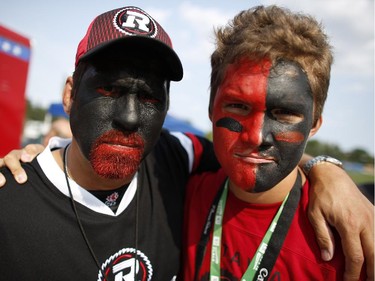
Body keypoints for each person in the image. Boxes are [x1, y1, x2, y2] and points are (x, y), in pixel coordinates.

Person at [0, 5, 373, 281]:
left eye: (148, 98)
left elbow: (255, 151)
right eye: (109, 89)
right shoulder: (10, 200)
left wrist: (325, 168)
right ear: (69, 95)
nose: (129, 118)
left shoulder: (176, 160)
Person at [181, 5, 372, 280]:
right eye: (237, 106)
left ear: (315, 124)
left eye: (284, 113)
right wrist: (324, 166)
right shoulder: (184, 189)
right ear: (211, 108)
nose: (256, 136)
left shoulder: (349, 240)